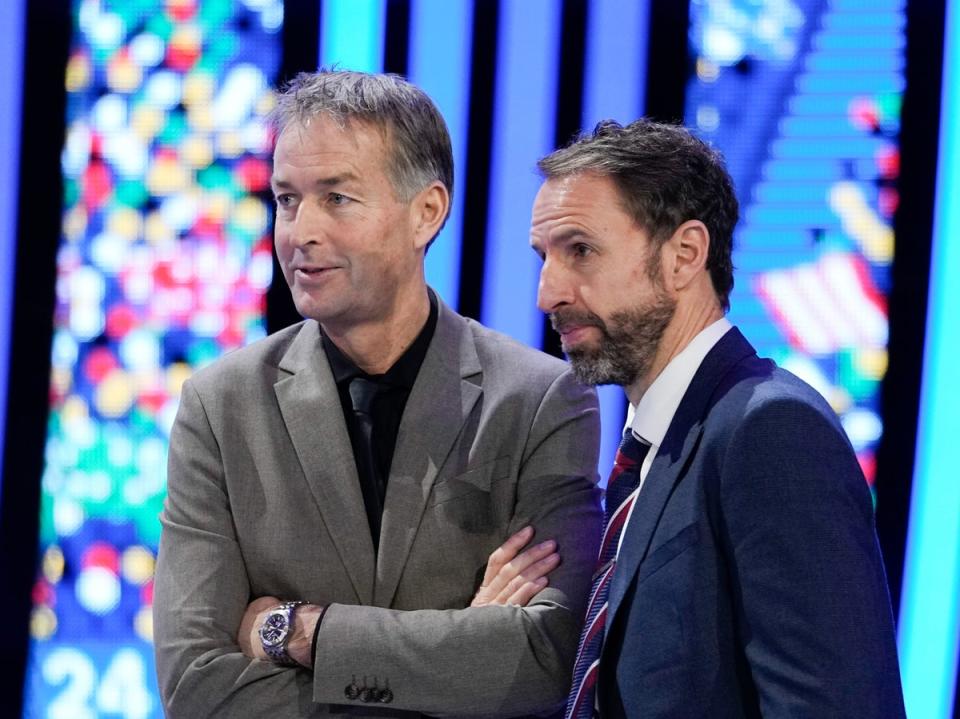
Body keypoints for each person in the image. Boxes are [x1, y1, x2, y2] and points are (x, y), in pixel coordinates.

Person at [153, 70, 602, 718]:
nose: (300, 231)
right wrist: (455, 663)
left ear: (427, 212)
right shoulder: (220, 406)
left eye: (336, 198)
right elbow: (195, 684)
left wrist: (300, 629)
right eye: (286, 199)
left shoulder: (539, 401)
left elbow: (545, 661)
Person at [530, 119, 906, 718]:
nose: (548, 292)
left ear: (685, 255)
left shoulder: (771, 429)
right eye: (543, 257)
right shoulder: (658, 445)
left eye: (581, 250)